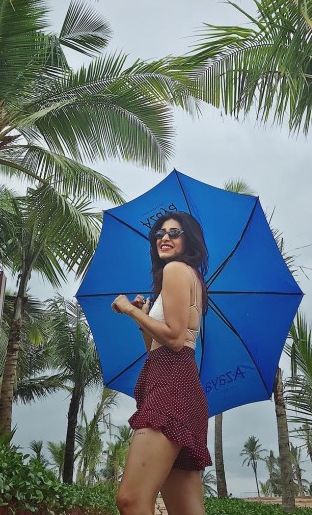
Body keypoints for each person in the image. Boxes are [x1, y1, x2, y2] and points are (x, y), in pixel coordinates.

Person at [111, 212, 212, 515]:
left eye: (174, 233)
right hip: (177, 385)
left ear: (189, 240)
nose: (164, 238)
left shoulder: (177, 270)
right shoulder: (187, 276)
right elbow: (157, 347)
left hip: (171, 388)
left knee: (130, 500)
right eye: (159, 233)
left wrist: (130, 309)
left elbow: (176, 340)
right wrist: (144, 319)